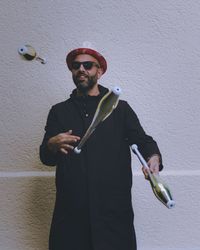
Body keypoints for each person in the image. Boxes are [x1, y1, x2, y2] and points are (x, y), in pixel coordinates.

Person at [40, 45, 163, 250]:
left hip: (113, 214)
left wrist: (153, 158)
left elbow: (143, 141)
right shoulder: (58, 112)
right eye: (75, 65)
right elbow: (46, 157)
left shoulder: (120, 109)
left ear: (100, 71)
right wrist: (51, 145)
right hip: (71, 216)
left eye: (88, 65)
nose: (81, 69)